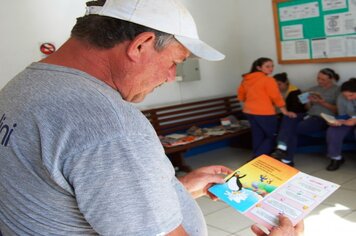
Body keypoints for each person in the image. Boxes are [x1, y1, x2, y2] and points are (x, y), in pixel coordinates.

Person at [0, 0, 303, 235]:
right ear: (141, 44)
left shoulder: (23, 86)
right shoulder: (111, 126)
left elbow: (70, 195)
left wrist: (175, 190)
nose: (172, 77)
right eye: (175, 62)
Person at [271, 68, 340, 166]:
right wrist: (308, 101)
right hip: (308, 115)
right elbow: (307, 108)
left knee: (293, 129)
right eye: (318, 78)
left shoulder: (337, 90)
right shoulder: (314, 89)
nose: (319, 81)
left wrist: (322, 102)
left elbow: (337, 110)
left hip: (322, 118)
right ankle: (281, 149)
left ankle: (285, 156)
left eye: (323, 79)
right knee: (288, 117)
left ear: (331, 79)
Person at [237, 58, 296, 158]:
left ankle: (257, 162)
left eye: (272, 66)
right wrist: (284, 111)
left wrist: (252, 102)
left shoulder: (246, 79)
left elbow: (241, 96)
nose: (271, 69)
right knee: (273, 136)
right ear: (259, 67)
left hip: (249, 112)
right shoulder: (268, 80)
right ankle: (256, 158)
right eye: (267, 66)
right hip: (264, 113)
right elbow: (276, 97)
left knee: (257, 136)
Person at [270, 73, 306, 166]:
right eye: (275, 84)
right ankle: (286, 158)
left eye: (279, 84)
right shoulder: (273, 91)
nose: (277, 86)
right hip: (284, 116)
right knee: (290, 131)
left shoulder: (295, 91)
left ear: (286, 83)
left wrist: (283, 110)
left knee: (288, 120)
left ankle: (281, 149)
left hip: (298, 115)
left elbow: (296, 110)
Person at [326, 78, 356, 171]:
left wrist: (354, 120)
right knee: (333, 130)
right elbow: (342, 114)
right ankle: (336, 158)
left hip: (353, 118)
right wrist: (335, 122)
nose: (348, 98)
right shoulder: (340, 97)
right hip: (347, 117)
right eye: (345, 96)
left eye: (351, 95)